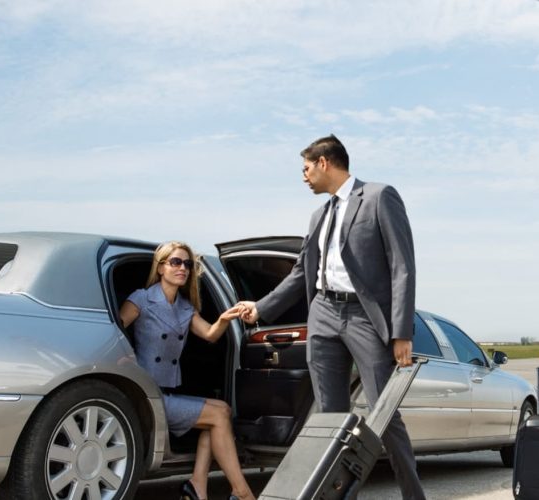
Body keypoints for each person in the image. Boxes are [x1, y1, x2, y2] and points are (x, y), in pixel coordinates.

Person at [235, 135, 425, 500]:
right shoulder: (318, 215)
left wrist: (401, 331)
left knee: (383, 415)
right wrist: (260, 308)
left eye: (305, 168)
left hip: (364, 316)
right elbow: (300, 274)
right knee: (327, 419)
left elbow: (403, 266)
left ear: (324, 163)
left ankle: (413, 496)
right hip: (322, 312)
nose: (303, 177)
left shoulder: (379, 196)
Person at [118, 241, 255, 500]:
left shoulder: (185, 308)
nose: (183, 268)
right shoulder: (142, 299)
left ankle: (198, 487)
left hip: (168, 393)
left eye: (188, 264)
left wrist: (225, 318)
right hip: (148, 396)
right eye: (175, 262)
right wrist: (122, 362)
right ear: (160, 267)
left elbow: (211, 335)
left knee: (218, 416)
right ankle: (242, 492)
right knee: (219, 415)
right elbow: (115, 329)